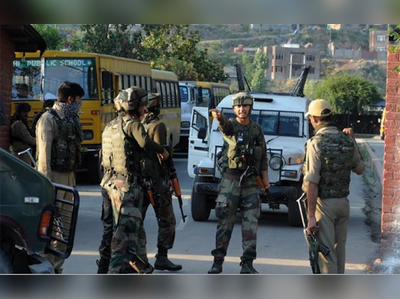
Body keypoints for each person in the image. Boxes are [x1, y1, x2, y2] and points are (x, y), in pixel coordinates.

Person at [105, 87, 170, 274]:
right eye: (143, 106)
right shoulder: (132, 124)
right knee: (126, 236)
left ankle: (138, 268)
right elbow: (144, 143)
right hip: (126, 186)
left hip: (110, 184)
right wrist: (162, 151)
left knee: (126, 231)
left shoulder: (111, 125)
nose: (146, 110)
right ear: (139, 107)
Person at [208, 92, 269, 274]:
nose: (242, 109)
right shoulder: (231, 126)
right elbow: (225, 127)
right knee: (225, 223)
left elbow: (264, 156)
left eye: (245, 106)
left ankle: (248, 263)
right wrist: (219, 117)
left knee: (251, 224)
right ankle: (218, 261)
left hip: (250, 184)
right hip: (231, 182)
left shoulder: (257, 129)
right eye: (238, 107)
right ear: (234, 109)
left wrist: (265, 180)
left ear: (250, 107)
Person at [302, 99, 365, 274]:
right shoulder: (347, 140)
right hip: (343, 203)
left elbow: (312, 182)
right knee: (339, 253)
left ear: (314, 119)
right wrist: (353, 141)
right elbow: (360, 169)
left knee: (326, 255)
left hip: (325, 206)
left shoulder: (316, 143)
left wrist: (311, 216)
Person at [36, 81, 85, 274]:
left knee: (64, 229)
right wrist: (47, 186)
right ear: (70, 99)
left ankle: (55, 269)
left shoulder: (72, 119)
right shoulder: (49, 119)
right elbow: (44, 158)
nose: (80, 104)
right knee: (56, 229)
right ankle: (50, 271)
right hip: (54, 179)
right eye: (79, 100)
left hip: (69, 178)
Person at [137, 93, 182, 272]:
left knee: (136, 220)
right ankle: (162, 257)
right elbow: (162, 154)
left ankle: (137, 258)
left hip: (139, 181)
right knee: (167, 220)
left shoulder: (134, 125)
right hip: (156, 182)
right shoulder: (158, 125)